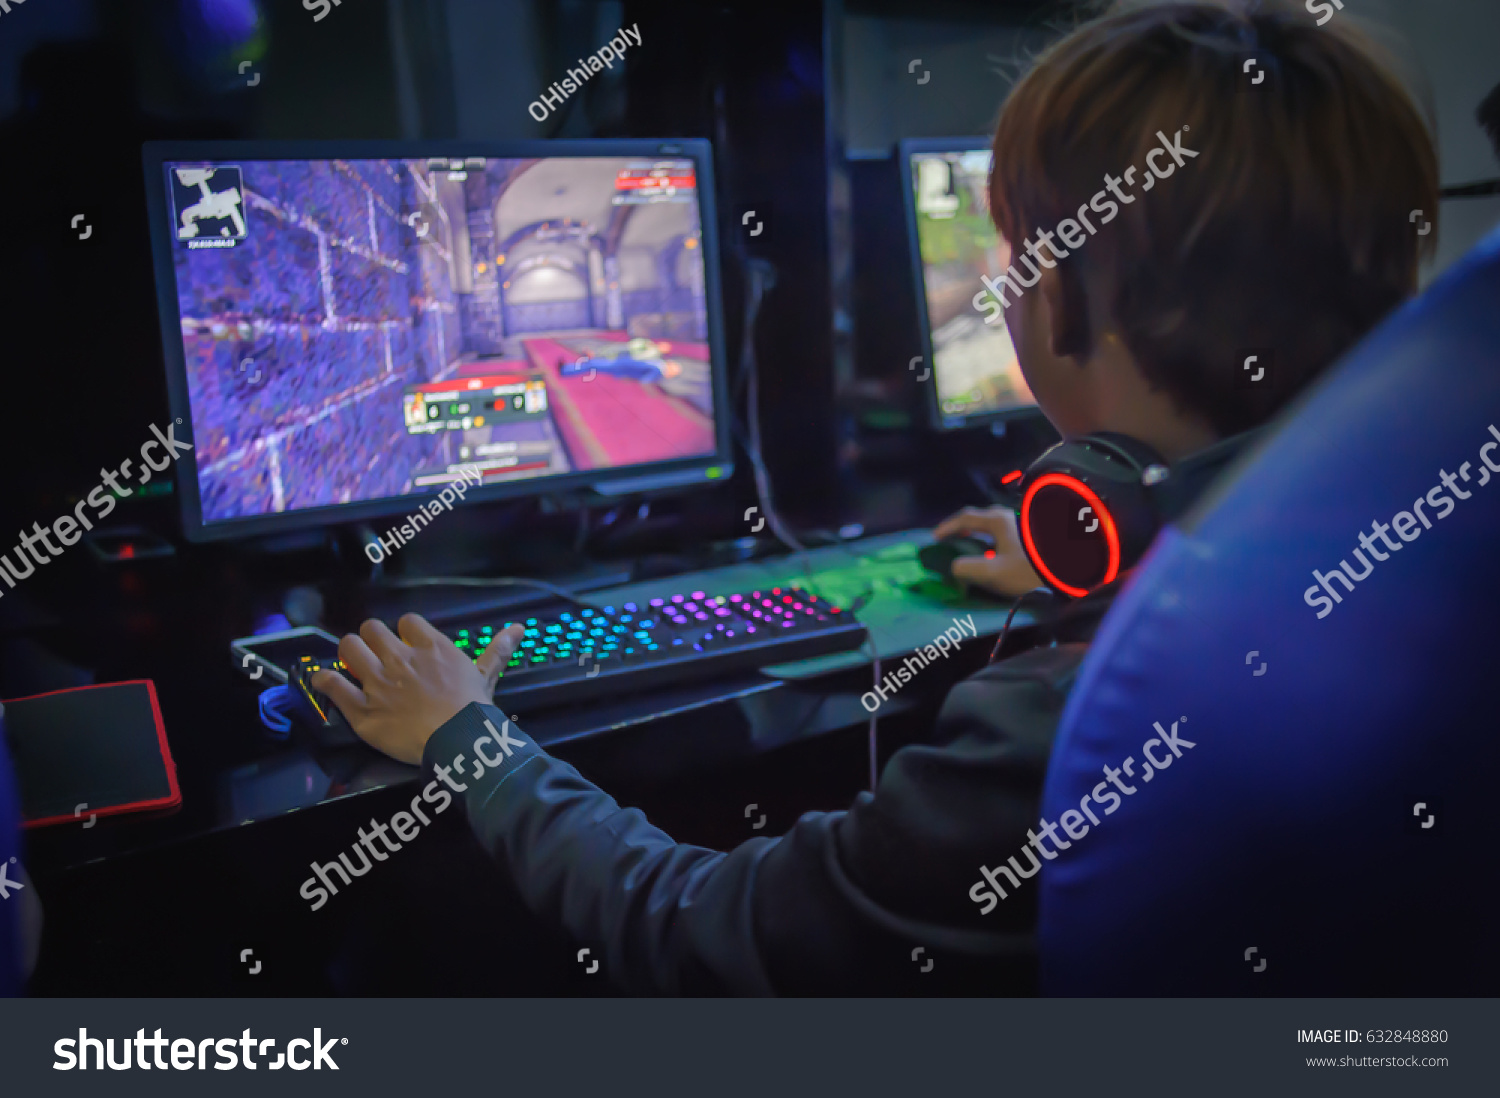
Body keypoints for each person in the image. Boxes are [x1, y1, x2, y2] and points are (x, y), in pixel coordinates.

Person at [314, 0, 1437, 993]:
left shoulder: (1068, 720)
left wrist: (472, 739)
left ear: (1072, 298)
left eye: (1019, 249)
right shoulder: (1420, 548)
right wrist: (1110, 549)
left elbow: (704, 935)